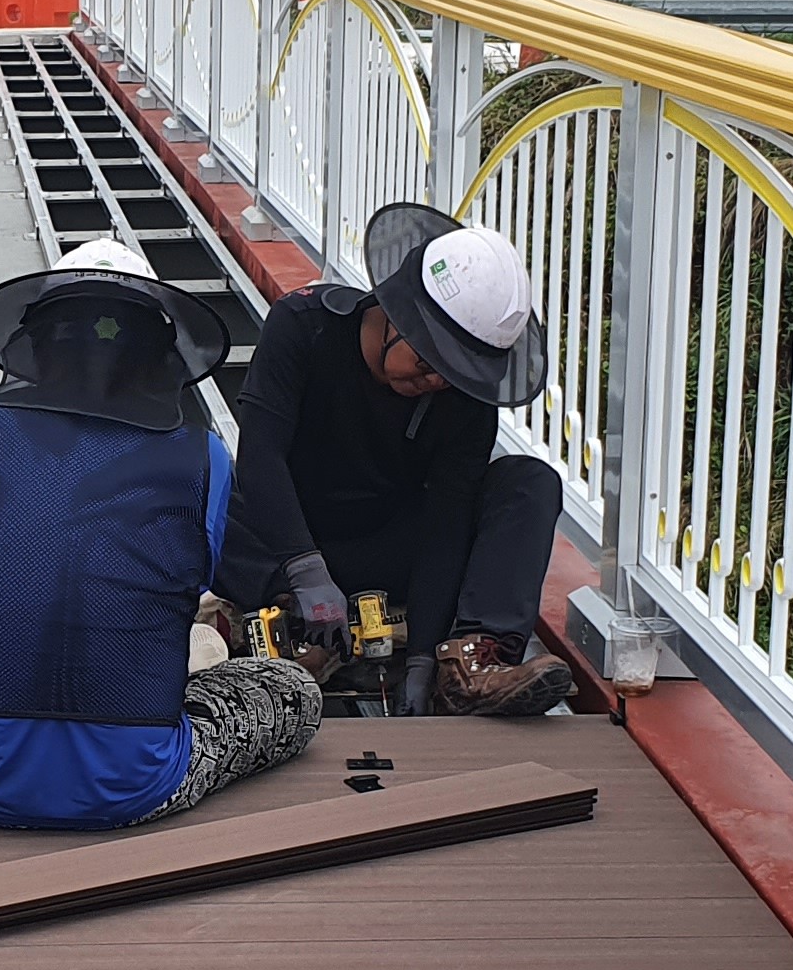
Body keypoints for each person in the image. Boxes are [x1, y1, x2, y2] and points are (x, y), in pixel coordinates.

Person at [0, 241, 321, 828]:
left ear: (37, 344)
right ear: (158, 356)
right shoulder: (203, 455)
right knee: (292, 688)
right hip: (133, 785)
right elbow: (197, 578)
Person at [213, 202, 571, 716]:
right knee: (199, 481)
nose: (437, 382)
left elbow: (447, 520)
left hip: (385, 546)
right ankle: (294, 624)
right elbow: (260, 457)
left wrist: (421, 656)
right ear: (394, 316)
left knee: (529, 481)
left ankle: (469, 662)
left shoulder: (464, 398)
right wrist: (305, 570)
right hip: (279, 542)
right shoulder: (303, 326)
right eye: (427, 362)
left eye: (453, 373)